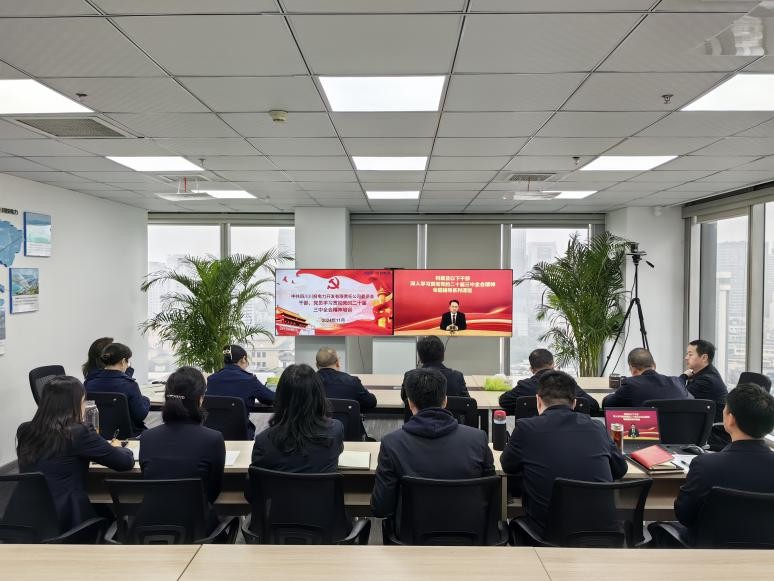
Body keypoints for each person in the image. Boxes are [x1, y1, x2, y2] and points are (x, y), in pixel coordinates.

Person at [500, 370, 628, 537]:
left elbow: (507, 465)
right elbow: (620, 469)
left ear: (538, 400)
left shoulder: (526, 428)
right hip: (602, 535)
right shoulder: (597, 428)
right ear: (574, 403)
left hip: (546, 535)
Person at [372, 368, 494, 518]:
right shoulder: (478, 439)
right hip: (470, 530)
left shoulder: (391, 444)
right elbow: (491, 495)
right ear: (445, 401)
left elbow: (381, 508)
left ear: (410, 403)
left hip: (412, 532)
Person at [16, 376, 134, 530]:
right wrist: (118, 447)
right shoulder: (78, 432)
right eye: (83, 401)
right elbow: (124, 463)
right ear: (75, 403)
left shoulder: (25, 430)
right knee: (114, 519)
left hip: (23, 516)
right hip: (66, 518)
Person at [670, 383, 774, 545]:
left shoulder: (705, 465)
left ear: (730, 419)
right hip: (766, 556)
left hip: (710, 553)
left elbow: (684, 516)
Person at [139, 366, 225, 529]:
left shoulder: (147, 437)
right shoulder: (213, 439)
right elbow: (213, 491)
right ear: (200, 399)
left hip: (150, 529)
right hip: (198, 528)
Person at [251, 364, 344, 473]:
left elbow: (256, 479)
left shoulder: (263, 441)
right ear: (318, 396)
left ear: (280, 397)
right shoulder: (335, 430)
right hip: (322, 485)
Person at [499, 348, 600, 415]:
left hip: (533, 434)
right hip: (568, 436)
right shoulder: (567, 383)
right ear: (553, 364)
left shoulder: (525, 386)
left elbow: (504, 401)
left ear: (532, 369)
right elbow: (593, 406)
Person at [206, 345, 276, 439]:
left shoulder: (211, 380)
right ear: (243, 359)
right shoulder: (249, 380)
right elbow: (271, 398)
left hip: (214, 436)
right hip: (241, 436)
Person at [84, 342, 149, 435]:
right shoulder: (130, 385)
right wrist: (146, 400)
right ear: (123, 361)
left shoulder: (88, 383)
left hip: (96, 435)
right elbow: (140, 416)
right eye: (127, 361)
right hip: (127, 435)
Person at [315, 346, 377, 441]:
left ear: (316, 365)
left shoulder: (307, 383)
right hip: (350, 438)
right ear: (337, 362)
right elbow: (371, 402)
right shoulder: (352, 381)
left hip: (315, 438)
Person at [602, 348, 692, 408]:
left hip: (645, 431)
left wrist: (613, 394)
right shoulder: (677, 382)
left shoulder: (630, 385)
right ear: (654, 365)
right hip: (678, 431)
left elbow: (607, 404)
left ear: (633, 369)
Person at [681, 339, 729, 449]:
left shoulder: (706, 380)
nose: (686, 357)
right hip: (707, 426)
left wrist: (683, 376)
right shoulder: (706, 372)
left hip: (715, 433)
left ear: (704, 358)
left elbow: (679, 396)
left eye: (690, 354)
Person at [401, 336, 469, 406]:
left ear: (420, 357)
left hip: (420, 413)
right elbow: (467, 402)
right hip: (449, 413)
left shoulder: (409, 375)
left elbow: (405, 400)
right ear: (442, 354)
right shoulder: (457, 377)